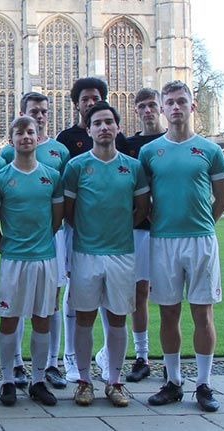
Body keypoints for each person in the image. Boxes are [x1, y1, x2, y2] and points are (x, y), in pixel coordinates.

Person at [139, 80, 224, 412]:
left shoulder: (210, 150)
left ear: (192, 107)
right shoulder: (150, 152)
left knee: (202, 312)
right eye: (170, 103)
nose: (175, 108)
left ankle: (204, 384)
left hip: (200, 240)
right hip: (163, 241)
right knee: (168, 312)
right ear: (162, 109)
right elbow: (143, 199)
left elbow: (223, 198)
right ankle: (174, 381)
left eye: (181, 102)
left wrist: (202, 224)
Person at [64, 101, 150, 407]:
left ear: (117, 126)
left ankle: (114, 381)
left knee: (117, 319)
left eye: (108, 122)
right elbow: (70, 212)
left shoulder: (133, 166)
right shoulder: (76, 167)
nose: (103, 127)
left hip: (121, 253)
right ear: (88, 130)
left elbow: (142, 209)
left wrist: (119, 228)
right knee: (84, 319)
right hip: (86, 252)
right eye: (97, 123)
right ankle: (84, 381)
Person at [0, 116, 63, 407]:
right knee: (9, 320)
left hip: (44, 259)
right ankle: (7, 380)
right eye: (20, 132)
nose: (26, 137)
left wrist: (39, 242)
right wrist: (6, 248)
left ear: (38, 136)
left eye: (31, 132)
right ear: (11, 139)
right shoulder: (0, 179)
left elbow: (56, 220)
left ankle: (38, 381)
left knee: (43, 320)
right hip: (13, 261)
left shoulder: (52, 176)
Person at [56, 79, 126, 381]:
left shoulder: (115, 142)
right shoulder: (65, 139)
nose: (89, 103)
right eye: (85, 99)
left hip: (113, 236)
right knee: (75, 290)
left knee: (113, 300)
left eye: (95, 98)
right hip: (78, 229)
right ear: (77, 105)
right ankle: (70, 355)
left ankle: (109, 360)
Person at [1, 92, 72, 389]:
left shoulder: (59, 151)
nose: (40, 116)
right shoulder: (6, 154)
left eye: (43, 111)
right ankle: (16, 364)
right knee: (14, 307)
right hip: (18, 243)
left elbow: (63, 201)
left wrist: (52, 231)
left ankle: (51, 365)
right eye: (34, 112)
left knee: (51, 303)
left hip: (50, 238)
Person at [120, 88, 167, 382]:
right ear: (136, 110)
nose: (148, 111)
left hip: (168, 230)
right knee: (139, 292)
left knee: (168, 297)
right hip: (139, 229)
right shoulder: (130, 144)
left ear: (159, 107)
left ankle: (171, 362)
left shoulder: (173, 142)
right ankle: (142, 356)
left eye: (152, 105)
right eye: (143, 106)